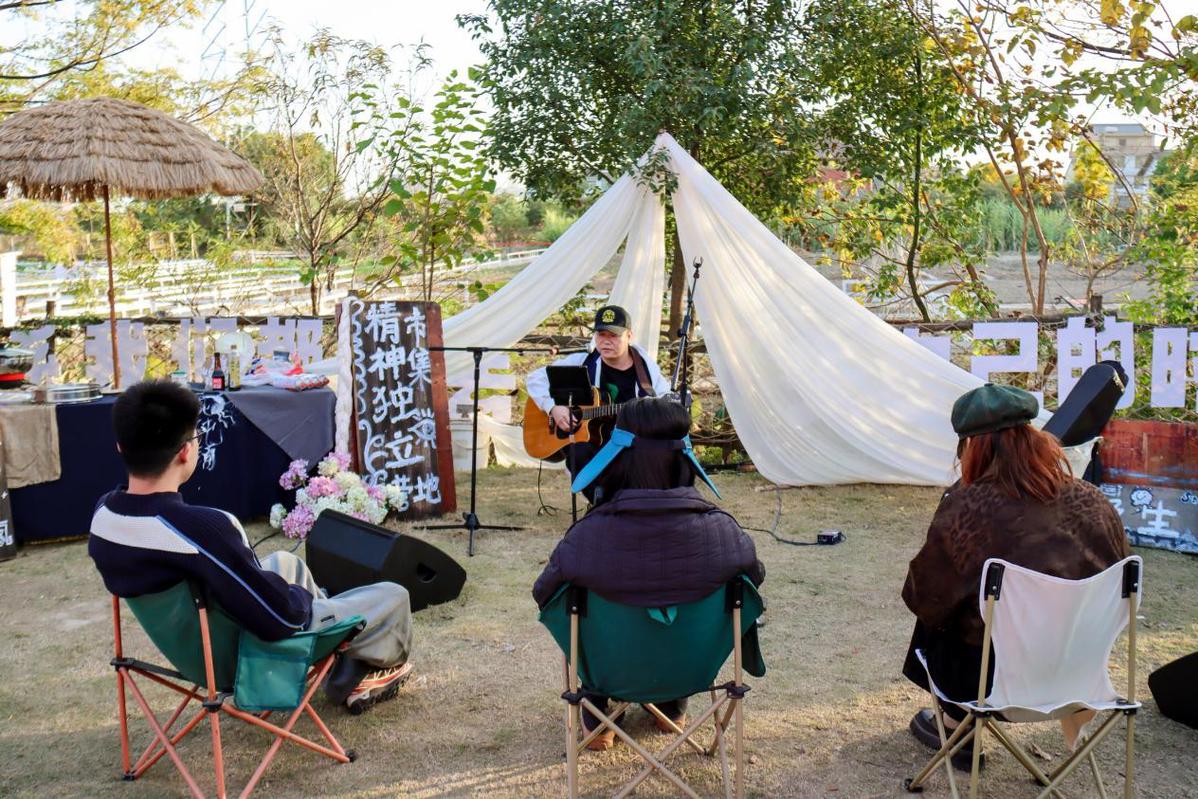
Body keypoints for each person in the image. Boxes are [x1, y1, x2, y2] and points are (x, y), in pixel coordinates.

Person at [89, 380, 414, 714]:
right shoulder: (203, 530)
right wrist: (301, 599)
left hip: (194, 651)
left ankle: (340, 654)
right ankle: (358, 667)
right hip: (243, 655)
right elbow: (280, 618)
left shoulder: (105, 517)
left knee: (286, 562)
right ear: (185, 451)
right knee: (393, 595)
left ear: (121, 447)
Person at [901, 383, 1129, 769]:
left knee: (937, 611)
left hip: (991, 683)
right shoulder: (1094, 500)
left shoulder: (967, 506)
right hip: (1079, 672)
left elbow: (922, 598)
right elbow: (1120, 585)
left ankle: (957, 725)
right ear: (1035, 438)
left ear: (972, 447)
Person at [533, 397, 765, 750]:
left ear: (619, 456)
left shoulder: (586, 537)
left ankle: (600, 715)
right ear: (685, 457)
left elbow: (544, 595)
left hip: (609, 672)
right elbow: (753, 582)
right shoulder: (726, 534)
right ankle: (671, 706)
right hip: (692, 672)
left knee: (581, 612)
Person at [526, 304, 671, 491]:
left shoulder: (646, 371)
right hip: (596, 446)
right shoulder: (582, 362)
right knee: (577, 452)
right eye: (601, 335)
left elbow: (666, 400)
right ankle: (602, 502)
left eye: (613, 335)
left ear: (629, 336)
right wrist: (552, 408)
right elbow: (535, 379)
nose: (606, 341)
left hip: (630, 443)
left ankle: (620, 501)